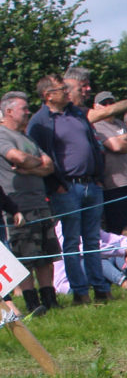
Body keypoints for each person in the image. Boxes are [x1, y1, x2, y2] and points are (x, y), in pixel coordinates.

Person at [27, 74, 109, 304]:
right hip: (66, 189)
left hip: (91, 184)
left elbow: (93, 145)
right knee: (72, 241)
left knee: (93, 239)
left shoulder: (77, 114)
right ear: (48, 95)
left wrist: (99, 177)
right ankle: (80, 292)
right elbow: (40, 156)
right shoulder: (40, 122)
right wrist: (57, 186)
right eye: (61, 88)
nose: (66, 91)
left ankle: (101, 288)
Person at [0, 92, 58, 315]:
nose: (27, 112)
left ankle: (50, 298)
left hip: (39, 201)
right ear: (9, 111)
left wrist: (30, 167)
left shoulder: (27, 138)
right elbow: (19, 158)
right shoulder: (3, 135)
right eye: (24, 109)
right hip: (18, 203)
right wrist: (34, 164)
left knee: (47, 252)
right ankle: (32, 302)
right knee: (25, 254)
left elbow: (49, 165)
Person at [91, 90, 127, 235]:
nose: (109, 106)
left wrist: (125, 139)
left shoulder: (120, 123)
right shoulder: (97, 126)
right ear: (96, 107)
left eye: (111, 102)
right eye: (104, 103)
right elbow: (117, 146)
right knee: (120, 230)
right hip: (114, 186)